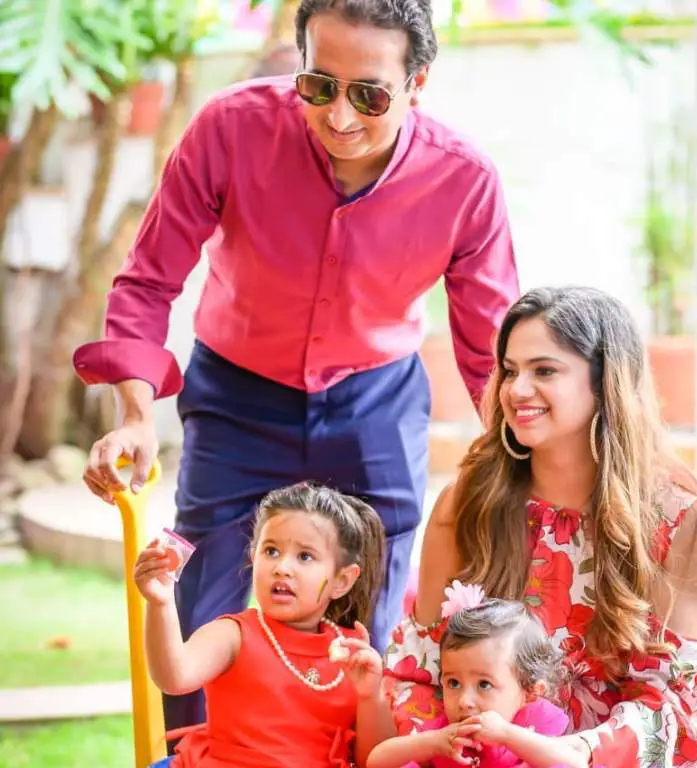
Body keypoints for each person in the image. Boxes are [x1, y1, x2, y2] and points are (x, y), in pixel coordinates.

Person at [74, 0, 518, 736]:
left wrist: (516, 460)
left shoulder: (463, 179)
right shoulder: (230, 127)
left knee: (370, 614)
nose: (339, 115)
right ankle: (196, 754)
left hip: (375, 401)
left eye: (369, 94)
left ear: (418, 81)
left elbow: (489, 346)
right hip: (237, 392)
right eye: (319, 85)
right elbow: (150, 278)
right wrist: (132, 415)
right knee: (207, 592)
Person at [385, 286, 697, 767]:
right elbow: (419, 671)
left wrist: (556, 754)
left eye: (544, 370)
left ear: (604, 381)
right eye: (510, 371)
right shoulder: (466, 506)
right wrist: (447, 750)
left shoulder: (684, 521)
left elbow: (670, 705)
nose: (516, 390)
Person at [134, 482, 393, 767]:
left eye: (305, 556)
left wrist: (371, 695)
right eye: (271, 551)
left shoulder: (352, 655)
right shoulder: (234, 634)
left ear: (342, 580)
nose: (282, 567)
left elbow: (374, 760)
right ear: (253, 556)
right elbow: (174, 676)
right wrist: (161, 603)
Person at [370, 586, 586, 768]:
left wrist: (507, 735)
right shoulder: (446, 732)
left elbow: (577, 763)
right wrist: (433, 742)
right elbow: (375, 761)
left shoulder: (537, 722)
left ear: (529, 691)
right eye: (453, 683)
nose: (464, 701)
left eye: (484, 684)